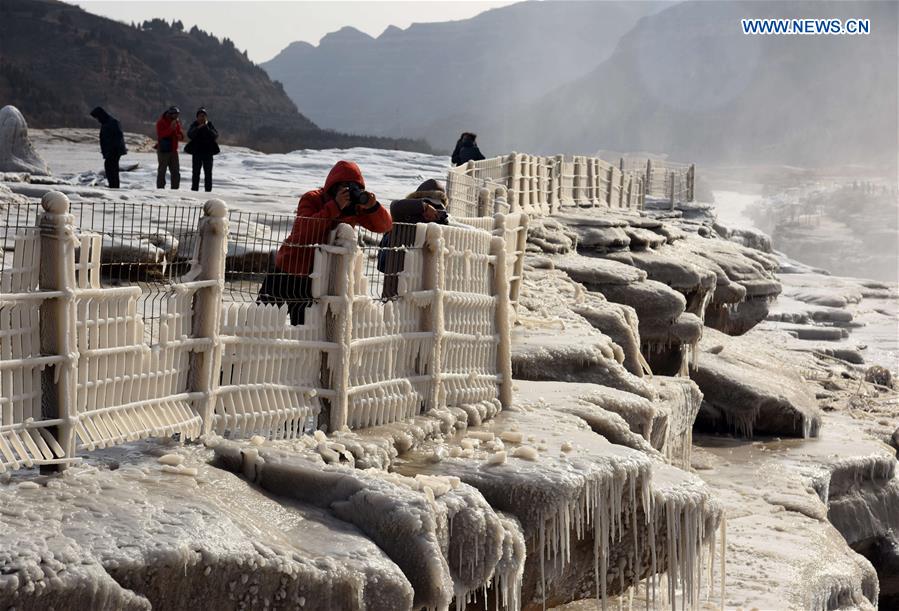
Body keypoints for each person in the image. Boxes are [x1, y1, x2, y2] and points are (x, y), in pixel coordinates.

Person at [259, 160, 392, 325]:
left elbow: (385, 226)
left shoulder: (354, 208)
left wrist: (373, 207)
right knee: (260, 322)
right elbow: (305, 232)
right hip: (288, 269)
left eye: (355, 188)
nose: (350, 193)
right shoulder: (312, 198)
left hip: (317, 277)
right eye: (345, 187)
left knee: (305, 331)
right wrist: (335, 206)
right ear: (334, 186)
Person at [379, 178, 450, 299]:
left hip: (419, 281)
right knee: (393, 308)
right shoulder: (405, 214)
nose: (433, 210)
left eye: (437, 207)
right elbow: (395, 205)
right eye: (430, 204)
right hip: (398, 278)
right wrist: (423, 207)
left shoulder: (440, 221)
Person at [89, 107, 127, 188]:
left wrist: (113, 150)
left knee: (111, 169)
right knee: (110, 168)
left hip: (114, 151)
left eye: (97, 117)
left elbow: (118, 137)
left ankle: (114, 186)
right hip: (110, 151)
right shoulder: (106, 122)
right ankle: (113, 185)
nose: (97, 119)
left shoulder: (112, 122)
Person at [184, 107, 220, 192]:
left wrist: (206, 128)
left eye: (204, 116)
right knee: (195, 173)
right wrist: (198, 128)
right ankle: (194, 190)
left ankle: (208, 191)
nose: (202, 117)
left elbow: (215, 135)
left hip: (208, 153)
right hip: (197, 153)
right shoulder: (194, 125)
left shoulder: (209, 125)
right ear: (197, 117)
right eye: (200, 116)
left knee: (208, 174)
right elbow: (190, 135)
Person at [155, 106, 184, 189]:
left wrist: (180, 136)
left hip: (173, 150)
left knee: (175, 172)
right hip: (163, 150)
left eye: (177, 114)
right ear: (170, 114)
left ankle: (175, 189)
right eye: (175, 114)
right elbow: (161, 135)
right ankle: (160, 189)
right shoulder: (161, 122)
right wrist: (171, 128)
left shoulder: (176, 122)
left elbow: (180, 134)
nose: (177, 116)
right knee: (162, 171)